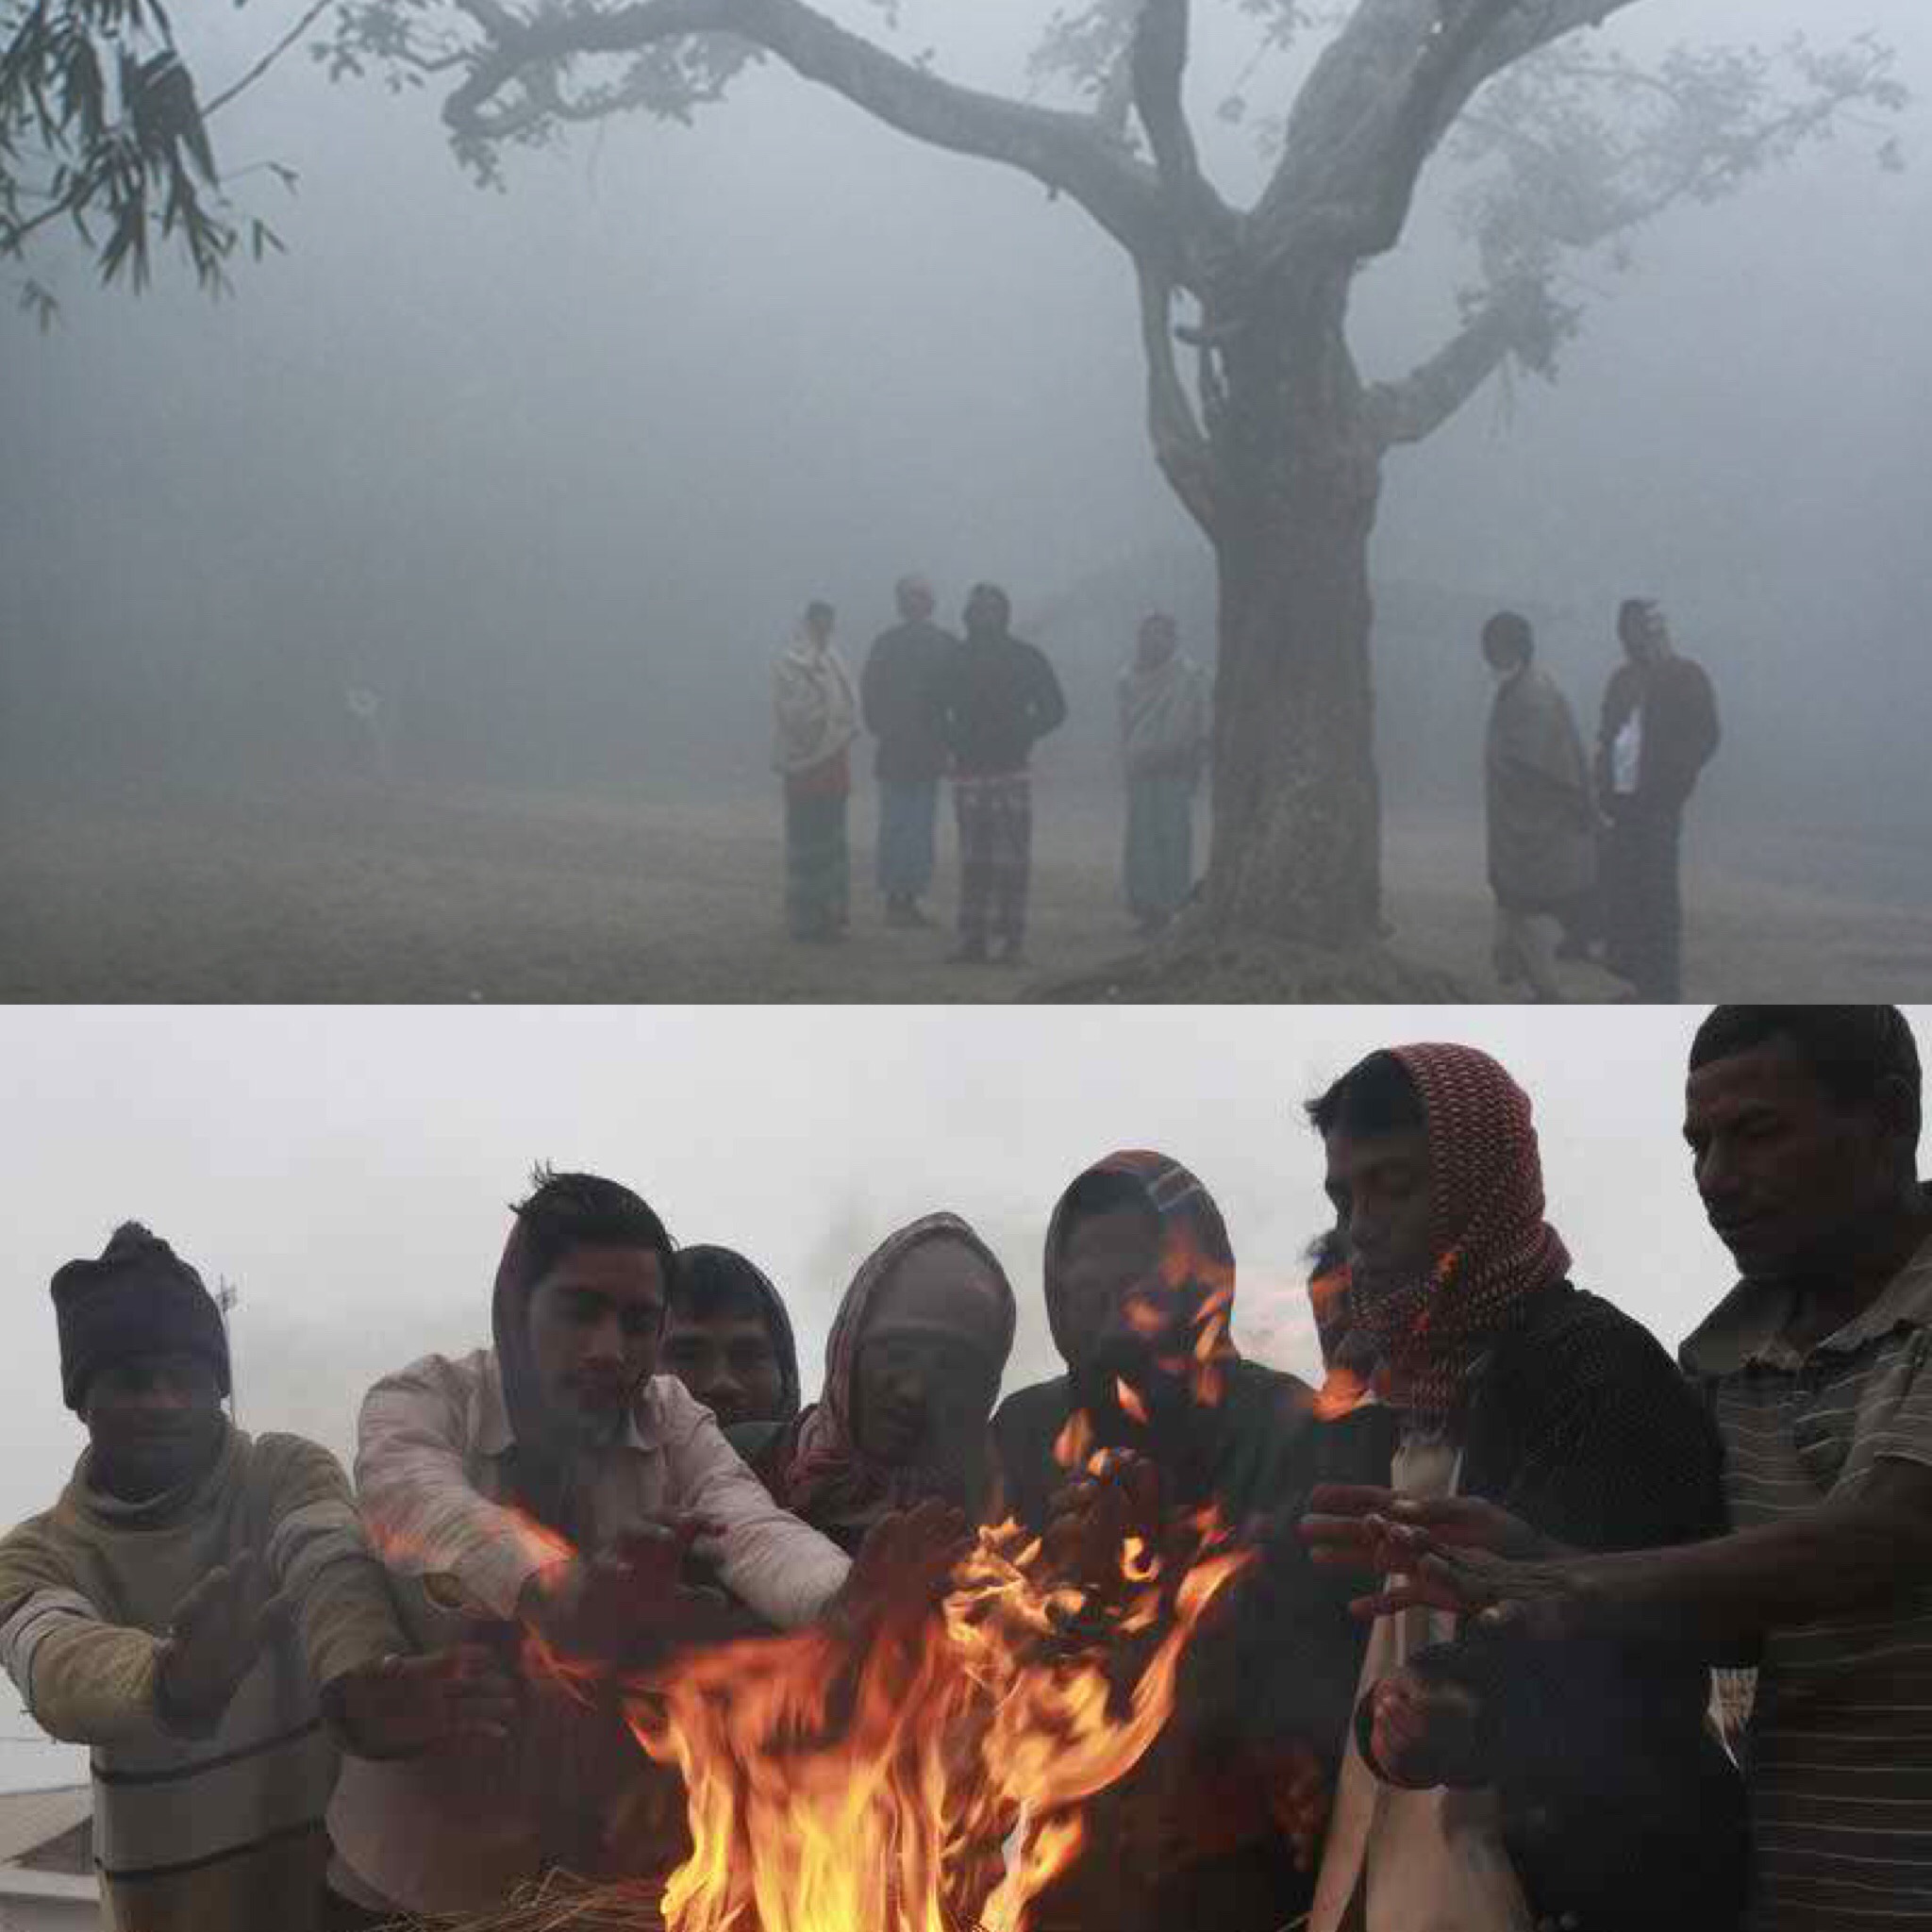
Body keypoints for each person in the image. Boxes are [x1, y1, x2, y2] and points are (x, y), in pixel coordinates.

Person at [1367, 1007, 1932, 1932]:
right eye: (1697, 1143)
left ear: (1888, 1119)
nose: (1715, 1179)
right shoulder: (1716, 1359)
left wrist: (1566, 1580)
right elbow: (1737, 1622)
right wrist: (1531, 1551)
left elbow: (1884, 1534)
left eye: (1755, 1133)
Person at [1293, 1045, 1744, 1932]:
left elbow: (1636, 1642)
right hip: (1386, 1885)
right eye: (1345, 1199)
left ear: (1481, 1184)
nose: (1362, 1228)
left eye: (1393, 1186)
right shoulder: (1381, 1402)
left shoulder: (1597, 1369)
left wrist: (1465, 1701)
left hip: (1584, 1887)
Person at [325, 1170, 855, 1920]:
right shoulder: (427, 1399)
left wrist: (847, 1598)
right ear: (516, 1309)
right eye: (581, 1312)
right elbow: (412, 1494)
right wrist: (555, 1591)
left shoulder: (670, 1415)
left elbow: (751, 1524)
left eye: (640, 1323)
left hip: (592, 1898)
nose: (610, 1350)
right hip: (411, 1894)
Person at [0, 1224, 511, 1932]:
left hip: (341, 1906)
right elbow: (55, 1664)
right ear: (82, 1400)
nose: (162, 1401)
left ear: (217, 1385)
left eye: (185, 1376)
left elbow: (329, 1567)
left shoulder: (282, 1472)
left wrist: (366, 1678)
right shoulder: (34, 1554)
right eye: (130, 1380)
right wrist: (168, 1679)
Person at [991, 1152, 1381, 1932]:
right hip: (1070, 1878)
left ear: (1209, 1287)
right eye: (1086, 1298)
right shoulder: (1026, 1434)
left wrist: (1167, 1585)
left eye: (1141, 1295)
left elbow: (1330, 1680)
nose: (1113, 1327)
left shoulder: (1293, 1430)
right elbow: (987, 1663)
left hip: (1246, 1882)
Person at [757, 1214, 1016, 1554]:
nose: (914, 1391)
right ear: (848, 1352)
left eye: (951, 1369)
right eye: (897, 1354)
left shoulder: (1006, 1519)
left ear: (982, 1390)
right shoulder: (747, 1477)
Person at [1593, 598, 1719, 1000]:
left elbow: (1706, 733)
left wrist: (1676, 777)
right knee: (1626, 893)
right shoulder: (1622, 680)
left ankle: (1662, 989)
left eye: (1641, 630)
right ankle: (1638, 980)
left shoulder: (1684, 676)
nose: (1633, 640)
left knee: (1658, 897)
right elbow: (1609, 735)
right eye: (1627, 631)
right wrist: (1603, 782)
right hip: (1623, 804)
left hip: (1659, 804)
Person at [935, 583, 1067, 965]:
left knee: (1012, 859)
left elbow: (1055, 709)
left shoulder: (1026, 658)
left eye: (992, 609)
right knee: (974, 859)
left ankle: (1012, 940)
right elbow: (929, 708)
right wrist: (951, 738)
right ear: (967, 615)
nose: (985, 616)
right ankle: (973, 938)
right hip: (969, 771)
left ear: (1004, 615)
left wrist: (1025, 731)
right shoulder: (954, 660)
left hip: (1012, 770)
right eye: (978, 609)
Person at [1479, 611, 1594, 1003]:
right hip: (1516, 826)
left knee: (1528, 908)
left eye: (1499, 651)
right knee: (1512, 902)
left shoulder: (1534, 695)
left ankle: (1547, 991)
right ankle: (1514, 970)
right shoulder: (1516, 689)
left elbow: (1550, 765)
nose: (1492, 661)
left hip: (1537, 829)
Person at [860, 575, 955, 927]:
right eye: (909, 597)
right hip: (901, 749)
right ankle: (896, 896)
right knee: (898, 824)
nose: (915, 604)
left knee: (917, 826)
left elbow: (956, 697)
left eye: (920, 597)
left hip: (925, 751)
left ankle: (909, 894)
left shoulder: (944, 644)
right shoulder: (887, 644)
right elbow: (870, 696)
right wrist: (886, 728)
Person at [772, 600, 859, 943]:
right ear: (808, 622)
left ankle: (832, 913)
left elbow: (849, 703)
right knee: (808, 839)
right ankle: (807, 918)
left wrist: (838, 724)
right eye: (820, 620)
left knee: (833, 839)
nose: (825, 626)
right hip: (804, 766)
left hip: (834, 763)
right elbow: (793, 713)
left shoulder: (835, 661)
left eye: (829, 620)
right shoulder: (790, 662)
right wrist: (828, 719)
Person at [661, 1243, 801, 1457]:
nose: (722, 1383)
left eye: (749, 1357)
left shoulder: (839, 1487)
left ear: (786, 1374)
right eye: (688, 1357)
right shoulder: (598, 1484)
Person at [1119, 612, 1210, 934]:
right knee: (1142, 840)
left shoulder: (1190, 676)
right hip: (1141, 766)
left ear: (1173, 640)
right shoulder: (1128, 677)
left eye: (1161, 635)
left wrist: (1196, 757)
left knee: (1172, 837)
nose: (1153, 642)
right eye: (1147, 635)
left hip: (1176, 766)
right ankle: (1147, 908)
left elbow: (1202, 719)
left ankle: (1174, 905)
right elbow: (1126, 723)